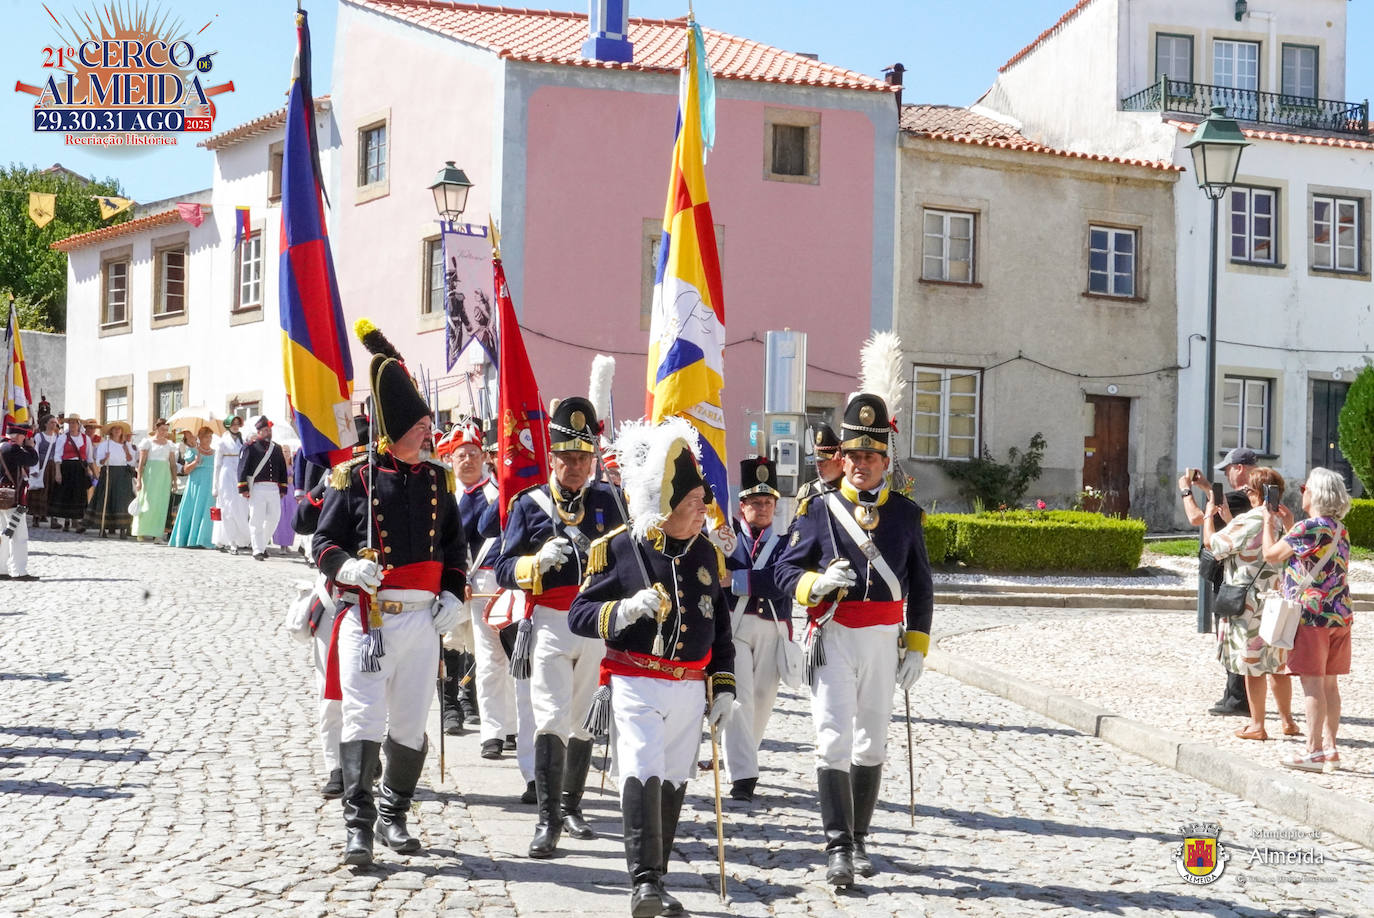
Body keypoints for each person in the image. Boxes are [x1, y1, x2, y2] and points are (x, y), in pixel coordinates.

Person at [313, 320, 468, 866]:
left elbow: (455, 549)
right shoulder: (355, 478)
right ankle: (358, 827)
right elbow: (323, 541)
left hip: (422, 621)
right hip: (369, 618)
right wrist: (349, 567)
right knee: (362, 719)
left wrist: (455, 595)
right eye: (421, 425)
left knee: (408, 721)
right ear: (396, 428)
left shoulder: (438, 481)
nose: (429, 434)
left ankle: (394, 812)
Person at [568, 418, 735, 917]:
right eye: (691, 506)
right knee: (641, 770)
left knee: (672, 779)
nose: (701, 514)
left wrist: (723, 686)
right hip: (635, 679)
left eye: (701, 504)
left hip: (687, 688)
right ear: (665, 508)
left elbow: (721, 630)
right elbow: (580, 614)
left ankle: (657, 879)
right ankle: (642, 883)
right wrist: (623, 610)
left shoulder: (705, 551)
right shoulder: (621, 547)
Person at [775, 393, 934, 888]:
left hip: (885, 638)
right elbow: (785, 569)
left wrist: (918, 643)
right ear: (841, 457)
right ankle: (837, 846)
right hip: (835, 633)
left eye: (871, 456)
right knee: (832, 739)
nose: (861, 464)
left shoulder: (906, 514)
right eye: (854, 455)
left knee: (872, 740)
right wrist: (814, 585)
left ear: (886, 459)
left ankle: (860, 837)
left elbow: (922, 583)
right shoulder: (818, 509)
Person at [494, 396, 627, 858]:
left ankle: (572, 806)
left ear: (593, 458)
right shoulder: (529, 505)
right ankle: (547, 820)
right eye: (567, 458)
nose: (575, 467)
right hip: (548, 622)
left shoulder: (610, 502)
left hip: (593, 623)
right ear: (552, 457)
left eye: (582, 458)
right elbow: (502, 567)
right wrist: (534, 563)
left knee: (583, 721)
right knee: (550, 718)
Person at [1262, 467, 1353, 774]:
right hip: (1339, 614)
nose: (1302, 492)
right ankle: (1330, 749)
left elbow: (1271, 554)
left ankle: (1313, 751)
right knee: (1330, 684)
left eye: (1305, 488)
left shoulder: (1307, 527)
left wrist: (1267, 522)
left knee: (1312, 683)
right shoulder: (1338, 528)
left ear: (1315, 493)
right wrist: (1289, 525)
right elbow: (1312, 555)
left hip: (1312, 616)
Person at [1204, 467, 1298, 741]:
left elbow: (1214, 544)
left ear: (1256, 492)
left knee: (1253, 664)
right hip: (1277, 600)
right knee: (1277, 663)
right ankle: (1288, 721)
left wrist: (1210, 515)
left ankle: (1258, 725)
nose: (1246, 494)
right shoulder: (1282, 520)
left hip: (1250, 602)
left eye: (1248, 490)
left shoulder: (1250, 519)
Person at [720, 456, 790, 803]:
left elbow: (780, 582)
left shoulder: (788, 541)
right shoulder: (726, 538)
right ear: (742, 504)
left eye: (768, 502)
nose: (762, 508)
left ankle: (744, 754)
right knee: (738, 700)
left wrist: (736, 579)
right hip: (734, 628)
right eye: (755, 502)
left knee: (761, 701)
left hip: (772, 628)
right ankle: (743, 775)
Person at [437, 418, 502, 745]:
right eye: (462, 454)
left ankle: (471, 697)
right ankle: (449, 705)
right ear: (451, 458)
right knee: (448, 643)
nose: (468, 460)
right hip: (453, 581)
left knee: (485, 650)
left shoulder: (496, 494)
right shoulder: (445, 493)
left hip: (485, 584)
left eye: (474, 454)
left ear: (483, 457)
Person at [1179, 446, 1258, 717]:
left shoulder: (1238, 498)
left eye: (1228, 469)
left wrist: (1186, 490)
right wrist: (1204, 486)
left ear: (1241, 468)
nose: (1226, 473)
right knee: (1235, 636)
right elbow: (1220, 501)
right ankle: (1235, 696)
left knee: (1229, 635)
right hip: (1241, 576)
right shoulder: (1251, 499)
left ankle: (1237, 699)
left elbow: (1196, 518)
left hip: (1229, 576)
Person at [237, 415, 288, 561]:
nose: (268, 432)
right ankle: (257, 550)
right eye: (265, 430)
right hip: (258, 488)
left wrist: (283, 488)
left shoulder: (276, 448)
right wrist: (243, 487)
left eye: (269, 430)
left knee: (274, 519)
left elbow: (282, 469)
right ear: (259, 432)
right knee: (256, 519)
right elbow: (242, 467)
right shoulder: (250, 447)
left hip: (273, 489)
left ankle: (262, 545)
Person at [0, 422, 39, 581]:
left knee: (3, 534)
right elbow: (32, 460)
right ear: (19, 436)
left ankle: (1, 569)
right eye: (25, 437)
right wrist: (30, 447)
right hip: (11, 498)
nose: (25, 440)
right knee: (18, 535)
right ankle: (19, 571)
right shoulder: (12, 448)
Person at [87, 421, 137, 538]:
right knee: (106, 499)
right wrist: (105, 458)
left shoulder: (127, 445)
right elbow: (99, 461)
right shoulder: (105, 445)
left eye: (119, 429)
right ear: (111, 431)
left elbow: (132, 461)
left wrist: (126, 452)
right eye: (115, 429)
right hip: (109, 472)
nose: (117, 431)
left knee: (123, 500)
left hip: (123, 474)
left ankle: (123, 529)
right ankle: (103, 527)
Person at [170, 427, 216, 548]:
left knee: (207, 511)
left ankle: (205, 539)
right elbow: (185, 470)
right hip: (196, 484)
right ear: (200, 438)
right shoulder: (193, 451)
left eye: (210, 436)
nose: (209, 439)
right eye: (206, 436)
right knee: (194, 509)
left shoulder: (214, 452)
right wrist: (195, 462)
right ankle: (191, 539)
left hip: (209, 486)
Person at [132, 419, 177, 542]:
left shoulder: (170, 445)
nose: (164, 432)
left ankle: (157, 534)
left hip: (164, 476)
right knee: (146, 501)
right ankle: (140, 530)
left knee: (161, 504)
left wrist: (174, 480)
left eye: (166, 430)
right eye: (162, 429)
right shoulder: (147, 442)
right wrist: (139, 480)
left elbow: (173, 464)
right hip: (150, 475)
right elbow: (141, 463)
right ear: (156, 428)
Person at [213, 416, 252, 555]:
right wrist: (215, 486)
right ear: (228, 425)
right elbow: (217, 465)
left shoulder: (243, 441)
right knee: (228, 509)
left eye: (237, 424)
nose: (235, 426)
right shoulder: (222, 442)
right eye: (233, 424)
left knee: (242, 508)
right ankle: (231, 541)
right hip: (226, 476)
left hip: (240, 476)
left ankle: (243, 538)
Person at [49, 413, 94, 532]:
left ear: (79, 424)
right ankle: (67, 522)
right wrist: (58, 473)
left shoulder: (86, 438)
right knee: (67, 494)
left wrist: (94, 472)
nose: (72, 425)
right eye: (71, 422)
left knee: (79, 495)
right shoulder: (63, 437)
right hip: (66, 468)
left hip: (79, 469)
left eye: (74, 422)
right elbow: (57, 456)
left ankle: (77, 521)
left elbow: (89, 458)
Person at [795, 423, 844, 503]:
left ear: (838, 459)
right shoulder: (810, 492)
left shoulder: (852, 488)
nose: (818, 468)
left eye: (822, 463)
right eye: (817, 463)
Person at [25, 415, 59, 526]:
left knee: (53, 491)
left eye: (55, 422)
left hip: (53, 467)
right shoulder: (39, 436)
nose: (54, 424)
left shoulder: (57, 437)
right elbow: (35, 452)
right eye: (52, 422)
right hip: (42, 466)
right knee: (39, 491)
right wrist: (34, 469)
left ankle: (53, 519)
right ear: (46, 424)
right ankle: (36, 517)